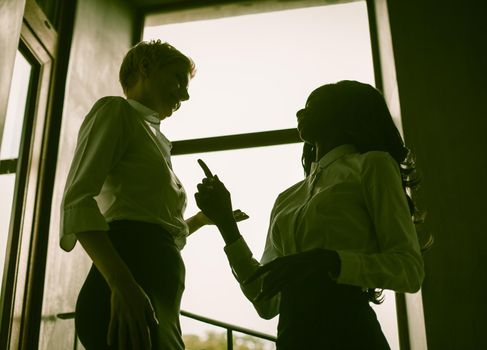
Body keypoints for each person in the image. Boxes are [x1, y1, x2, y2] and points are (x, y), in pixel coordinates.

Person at [195, 80, 426, 349]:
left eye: (312, 105)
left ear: (343, 112)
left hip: (350, 334)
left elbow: (409, 271)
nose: (299, 113)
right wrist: (225, 223)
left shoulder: (372, 165)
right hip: (294, 338)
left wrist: (331, 261)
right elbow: (266, 300)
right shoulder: (287, 197)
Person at [60, 40, 246, 350]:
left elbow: (155, 227)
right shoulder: (116, 111)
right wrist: (122, 284)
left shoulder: (157, 141)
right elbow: (77, 200)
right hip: (131, 283)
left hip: (157, 288)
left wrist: (201, 219)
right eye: (176, 79)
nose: (184, 95)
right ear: (145, 69)